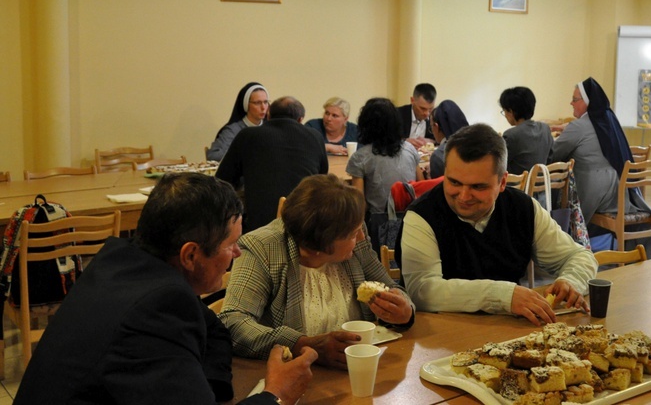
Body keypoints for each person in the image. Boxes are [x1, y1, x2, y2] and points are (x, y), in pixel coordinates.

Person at [14, 173, 317, 405]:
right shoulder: (156, 307)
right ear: (190, 255)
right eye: (230, 244)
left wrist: (199, 387)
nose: (237, 253)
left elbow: (216, 332)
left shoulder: (122, 263)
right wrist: (276, 394)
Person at [397, 123, 597, 326]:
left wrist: (570, 281)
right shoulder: (421, 216)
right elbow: (422, 291)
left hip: (510, 333)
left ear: (502, 182)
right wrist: (503, 296)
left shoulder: (522, 207)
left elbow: (579, 256)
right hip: (439, 339)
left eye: (478, 186)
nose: (464, 196)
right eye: (454, 182)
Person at [219, 174, 415, 370]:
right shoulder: (263, 248)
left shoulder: (354, 231)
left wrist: (404, 313)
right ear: (318, 246)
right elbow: (233, 323)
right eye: (354, 234)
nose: (362, 237)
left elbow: (391, 288)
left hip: (359, 370)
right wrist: (302, 345)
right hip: (296, 376)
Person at [216, 96, 328, 233]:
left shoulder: (247, 136)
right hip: (305, 224)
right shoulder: (315, 136)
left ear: (269, 115)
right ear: (300, 119)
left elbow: (222, 180)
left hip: (260, 227)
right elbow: (322, 179)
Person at [550, 77, 651, 225]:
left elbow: (554, 154)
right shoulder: (609, 119)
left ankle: (564, 237)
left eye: (574, 99)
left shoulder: (578, 126)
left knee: (555, 189)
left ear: (586, 102)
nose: (571, 103)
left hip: (596, 193)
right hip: (620, 193)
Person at [347, 98, 424, 247]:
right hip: (412, 221)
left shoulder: (360, 157)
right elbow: (420, 187)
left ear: (365, 125)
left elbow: (359, 204)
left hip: (379, 226)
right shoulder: (409, 149)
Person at [207, 82, 269, 162]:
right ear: (246, 105)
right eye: (257, 103)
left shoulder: (270, 129)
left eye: (265, 102)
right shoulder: (233, 131)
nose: (263, 107)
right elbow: (213, 155)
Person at [499, 86, 553, 175]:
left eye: (504, 111)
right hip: (542, 185)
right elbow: (550, 159)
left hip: (517, 187)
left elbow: (499, 166)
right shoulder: (545, 129)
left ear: (510, 111)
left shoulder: (511, 135)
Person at [429, 99, 469, 178]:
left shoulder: (439, 156)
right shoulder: (478, 142)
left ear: (436, 126)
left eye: (431, 127)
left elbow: (439, 187)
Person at [398, 83, 436, 148]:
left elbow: (443, 139)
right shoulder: (397, 114)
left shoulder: (435, 116)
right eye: (422, 108)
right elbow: (385, 140)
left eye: (430, 109)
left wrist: (431, 141)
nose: (427, 113)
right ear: (412, 100)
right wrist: (404, 142)